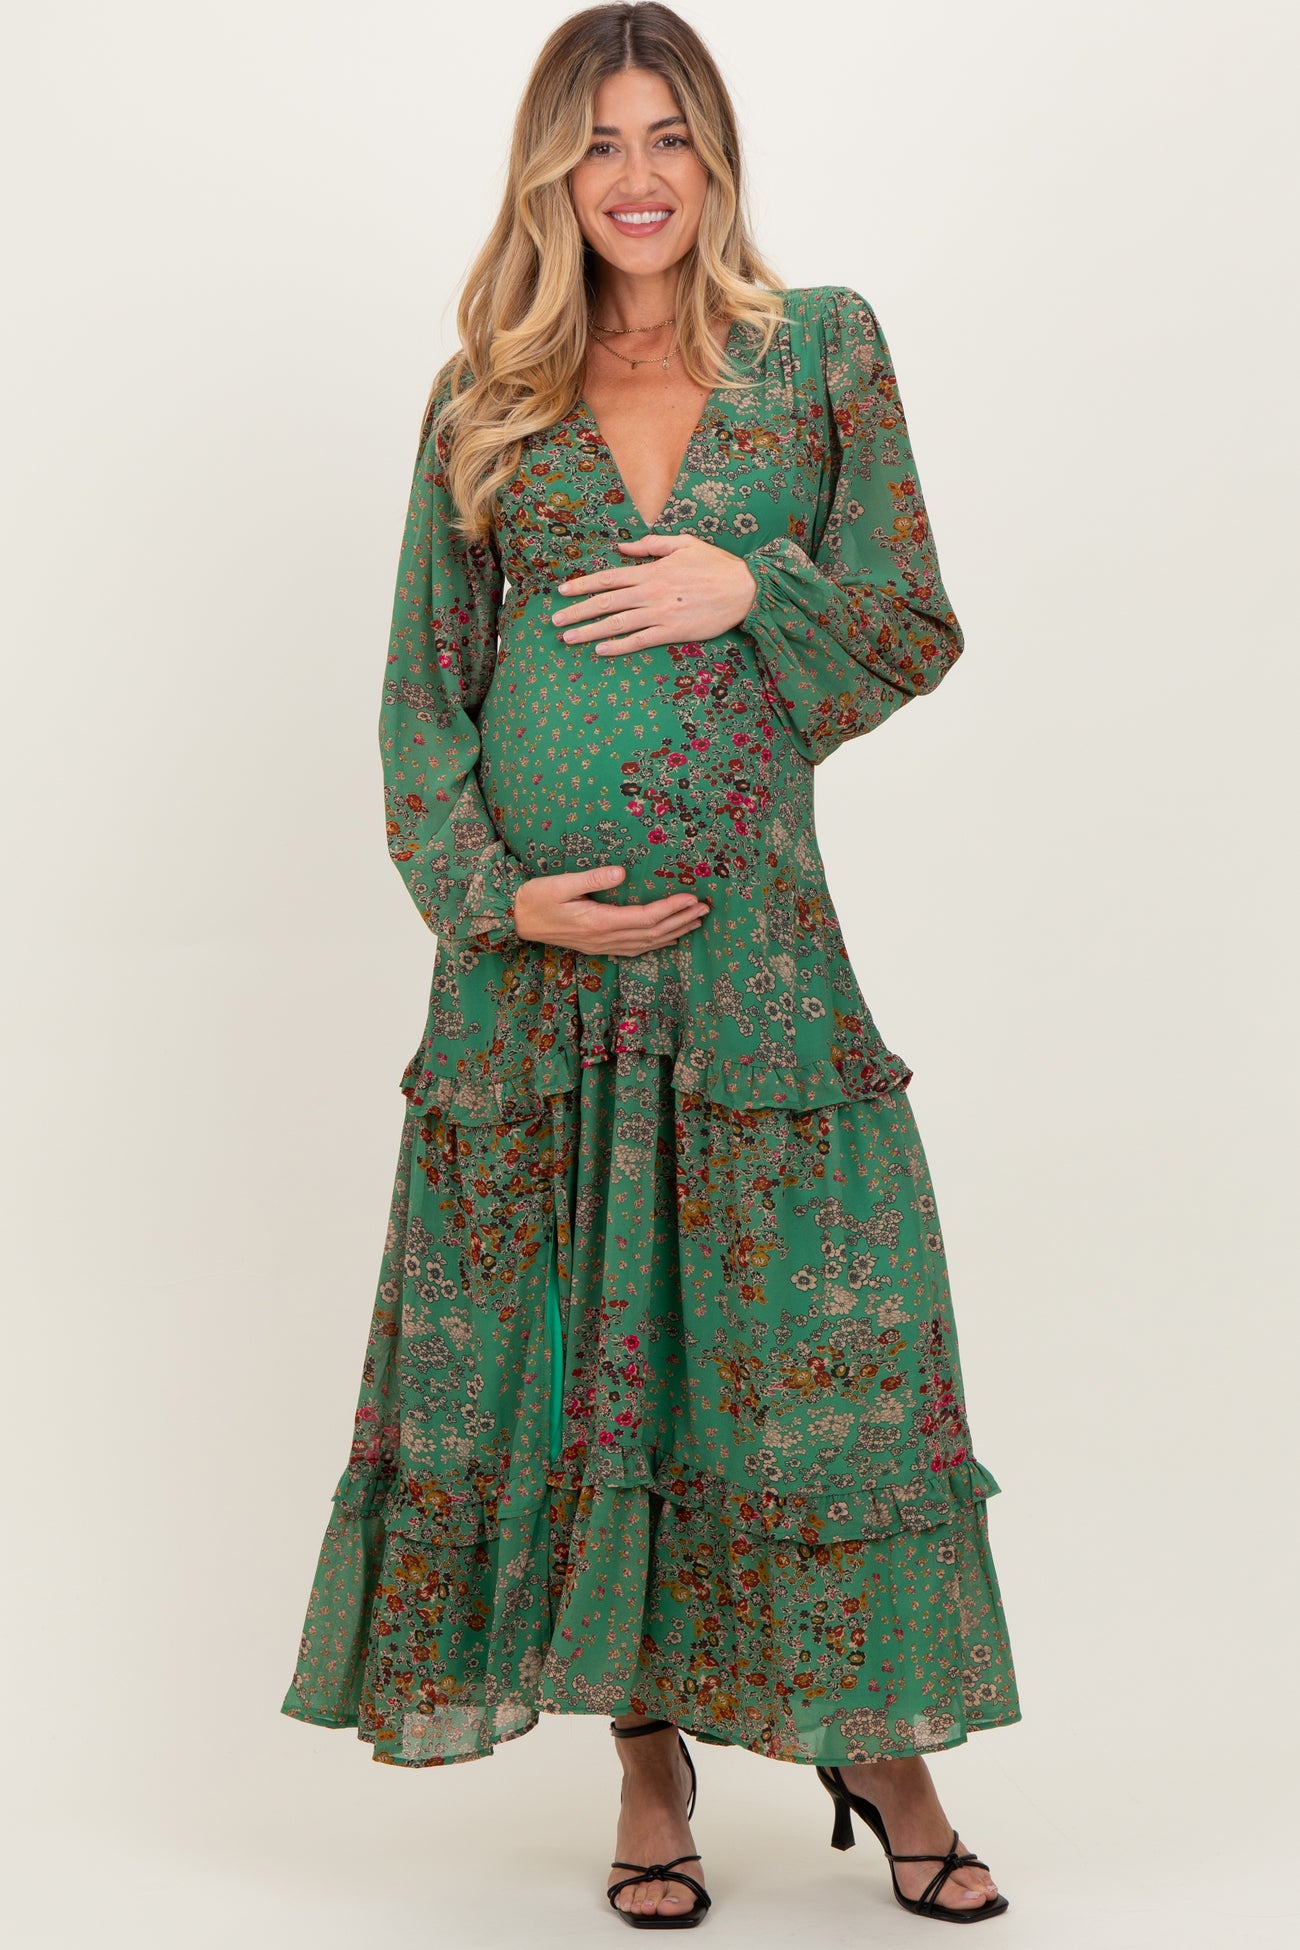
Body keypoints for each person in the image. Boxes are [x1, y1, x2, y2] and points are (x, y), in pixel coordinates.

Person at [281, 2, 1022, 1928]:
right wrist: (495, 898)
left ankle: (883, 1750)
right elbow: (420, 692)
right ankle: (642, 1757)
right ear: (551, 173)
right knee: (581, 1367)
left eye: (667, 135)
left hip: (756, 970)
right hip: (535, 993)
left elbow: (913, 623)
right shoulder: (484, 396)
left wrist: (749, 583)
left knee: (807, 1355)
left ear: (716, 157)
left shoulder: (821, 348)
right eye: (598, 142)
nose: (635, 177)